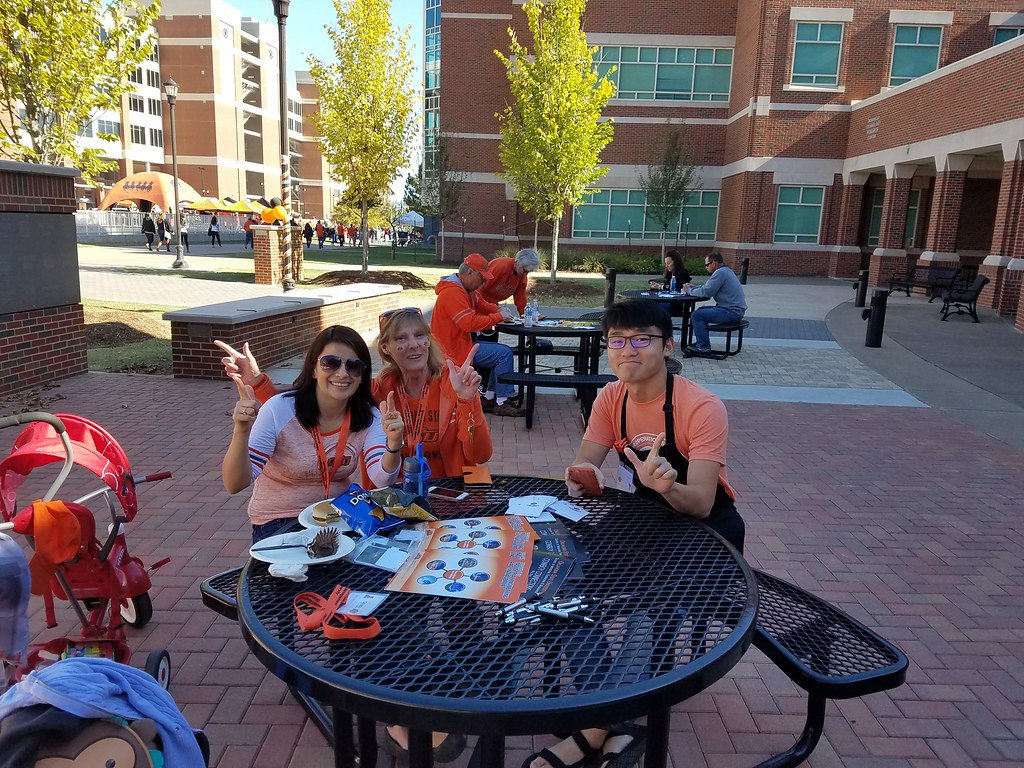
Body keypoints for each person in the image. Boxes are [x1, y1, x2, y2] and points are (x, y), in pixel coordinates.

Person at [538, 299, 745, 768]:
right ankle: (614, 717)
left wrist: (665, 487)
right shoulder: (612, 398)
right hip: (643, 520)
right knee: (561, 581)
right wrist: (582, 475)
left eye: (641, 340)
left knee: (653, 608)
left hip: (706, 527)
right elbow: (587, 458)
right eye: (617, 341)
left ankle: (598, 727)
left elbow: (703, 502)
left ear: (667, 346)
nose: (627, 350)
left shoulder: (702, 407)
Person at [216, 308, 493, 479]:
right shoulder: (377, 390)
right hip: (392, 504)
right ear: (385, 348)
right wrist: (259, 382)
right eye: (401, 338)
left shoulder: (451, 384)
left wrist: (468, 401)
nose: (414, 345)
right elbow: (312, 403)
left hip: (450, 498)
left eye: (420, 336)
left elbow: (480, 455)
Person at [221, 325, 403, 544]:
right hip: (280, 521)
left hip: (339, 517)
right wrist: (241, 430)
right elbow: (234, 484)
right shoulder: (280, 409)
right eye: (331, 363)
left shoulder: (369, 416)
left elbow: (382, 478)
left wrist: (394, 444)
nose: (343, 373)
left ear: (362, 375)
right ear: (314, 368)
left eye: (353, 366)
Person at [431, 254, 524, 417]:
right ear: (470, 273)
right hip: (452, 351)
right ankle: (501, 402)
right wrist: (499, 317)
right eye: (482, 277)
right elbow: (469, 323)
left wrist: (498, 310)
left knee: (502, 353)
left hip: (461, 346)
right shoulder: (453, 292)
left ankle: (489, 397)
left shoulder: (465, 289)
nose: (484, 283)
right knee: (504, 354)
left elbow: (481, 304)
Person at [682, 252, 746, 355]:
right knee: (701, 311)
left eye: (707, 265)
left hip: (731, 312)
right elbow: (707, 287)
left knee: (697, 315)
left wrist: (689, 290)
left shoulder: (720, 273)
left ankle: (703, 347)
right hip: (735, 310)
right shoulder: (726, 271)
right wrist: (694, 288)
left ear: (714, 263)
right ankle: (701, 341)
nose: (706, 267)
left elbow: (707, 292)